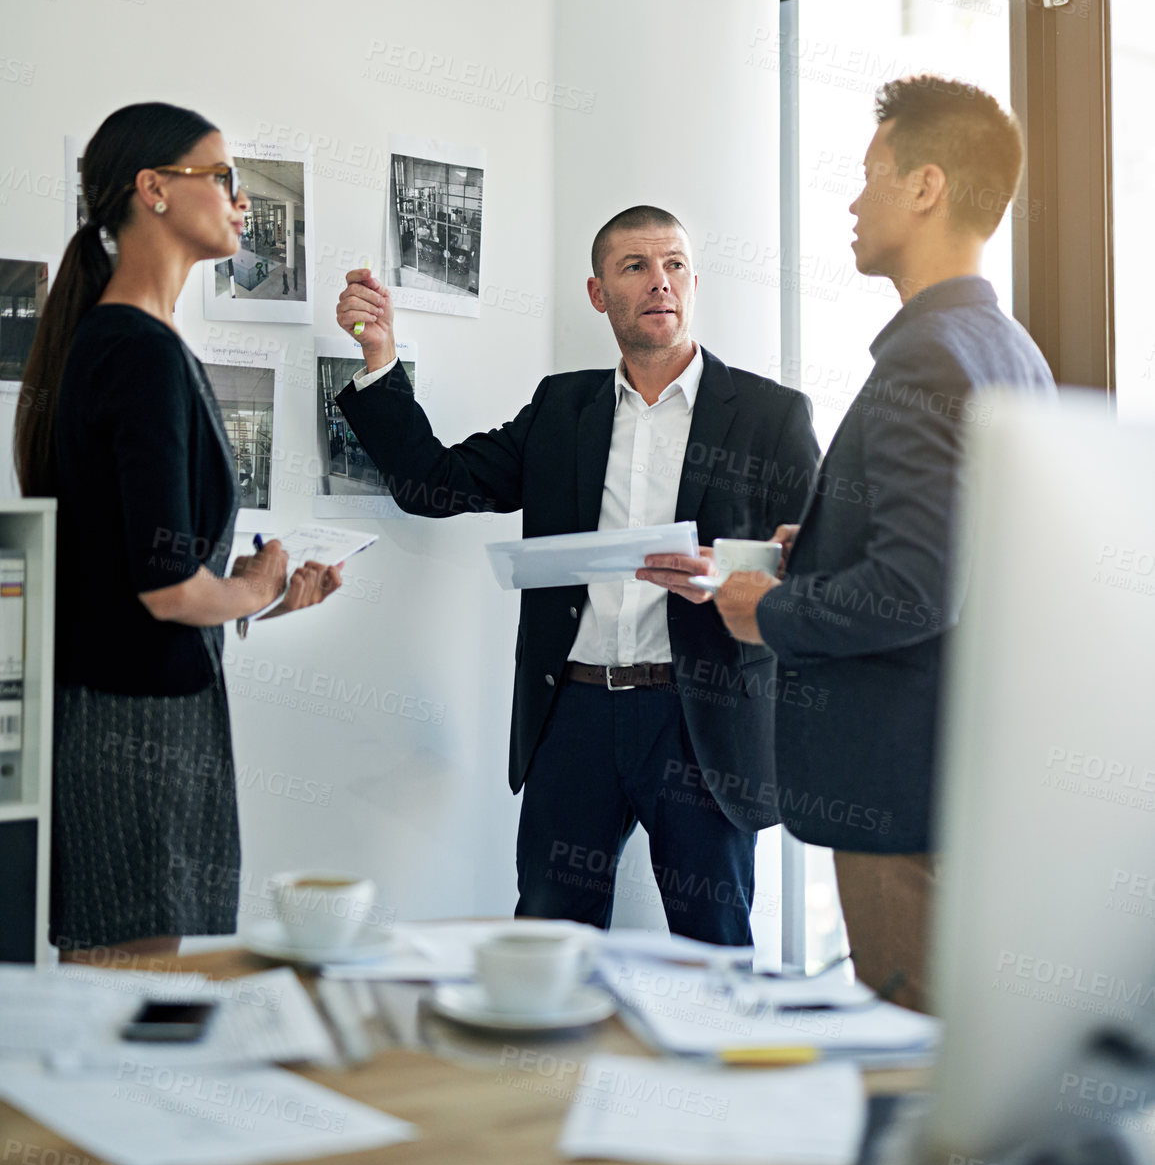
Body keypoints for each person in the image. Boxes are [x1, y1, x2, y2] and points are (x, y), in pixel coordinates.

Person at [655, 76, 1054, 1008]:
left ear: (924, 186)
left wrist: (771, 610)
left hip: (897, 785)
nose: (851, 198)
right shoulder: (1005, 347)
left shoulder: (926, 355)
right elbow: (962, 552)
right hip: (963, 770)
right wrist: (822, 544)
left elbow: (920, 586)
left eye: (869, 174)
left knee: (911, 1041)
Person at [335, 206, 820, 945]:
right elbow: (432, 484)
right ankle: (552, 1067)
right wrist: (379, 358)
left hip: (699, 723)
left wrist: (722, 573)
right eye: (635, 266)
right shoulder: (563, 407)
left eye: (675, 264)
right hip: (575, 716)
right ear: (598, 293)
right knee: (546, 945)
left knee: (712, 947)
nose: (661, 281)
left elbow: (809, 563)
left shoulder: (767, 414)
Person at [15, 103, 342, 964]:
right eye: (223, 176)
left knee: (134, 993)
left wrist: (257, 595)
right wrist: (252, 586)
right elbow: (165, 589)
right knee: (134, 997)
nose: (241, 201)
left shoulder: (128, 342)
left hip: (137, 710)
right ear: (152, 190)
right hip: (136, 726)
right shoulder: (138, 350)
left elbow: (132, 570)